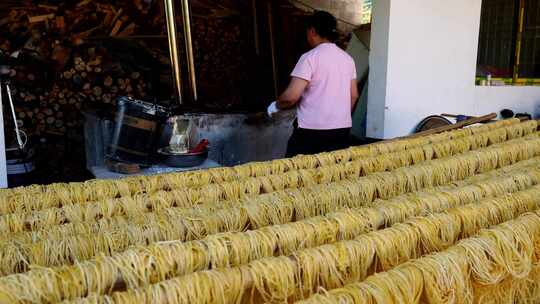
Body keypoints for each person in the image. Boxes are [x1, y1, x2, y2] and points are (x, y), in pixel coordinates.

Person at [268, 11, 358, 157]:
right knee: (334, 175)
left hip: (311, 132)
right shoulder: (348, 59)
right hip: (342, 131)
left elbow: (291, 97)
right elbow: (353, 95)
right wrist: (338, 118)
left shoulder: (310, 57)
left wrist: (275, 106)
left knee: (295, 174)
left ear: (312, 31)